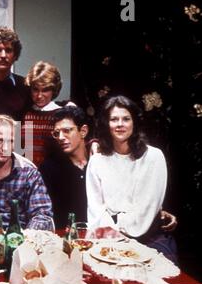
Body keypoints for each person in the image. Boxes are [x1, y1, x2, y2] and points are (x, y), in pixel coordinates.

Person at [86, 95, 178, 263]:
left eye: (126, 119)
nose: (120, 124)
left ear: (134, 122)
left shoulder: (154, 157)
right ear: (107, 124)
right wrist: (113, 237)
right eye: (114, 119)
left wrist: (120, 226)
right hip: (109, 238)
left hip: (150, 236)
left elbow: (147, 206)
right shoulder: (96, 161)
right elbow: (96, 209)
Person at [22, 61, 65, 166]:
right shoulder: (23, 113)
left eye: (45, 90)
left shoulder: (62, 115)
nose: (39, 95)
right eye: (35, 89)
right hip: (26, 173)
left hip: (53, 173)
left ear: (54, 90)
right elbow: (20, 151)